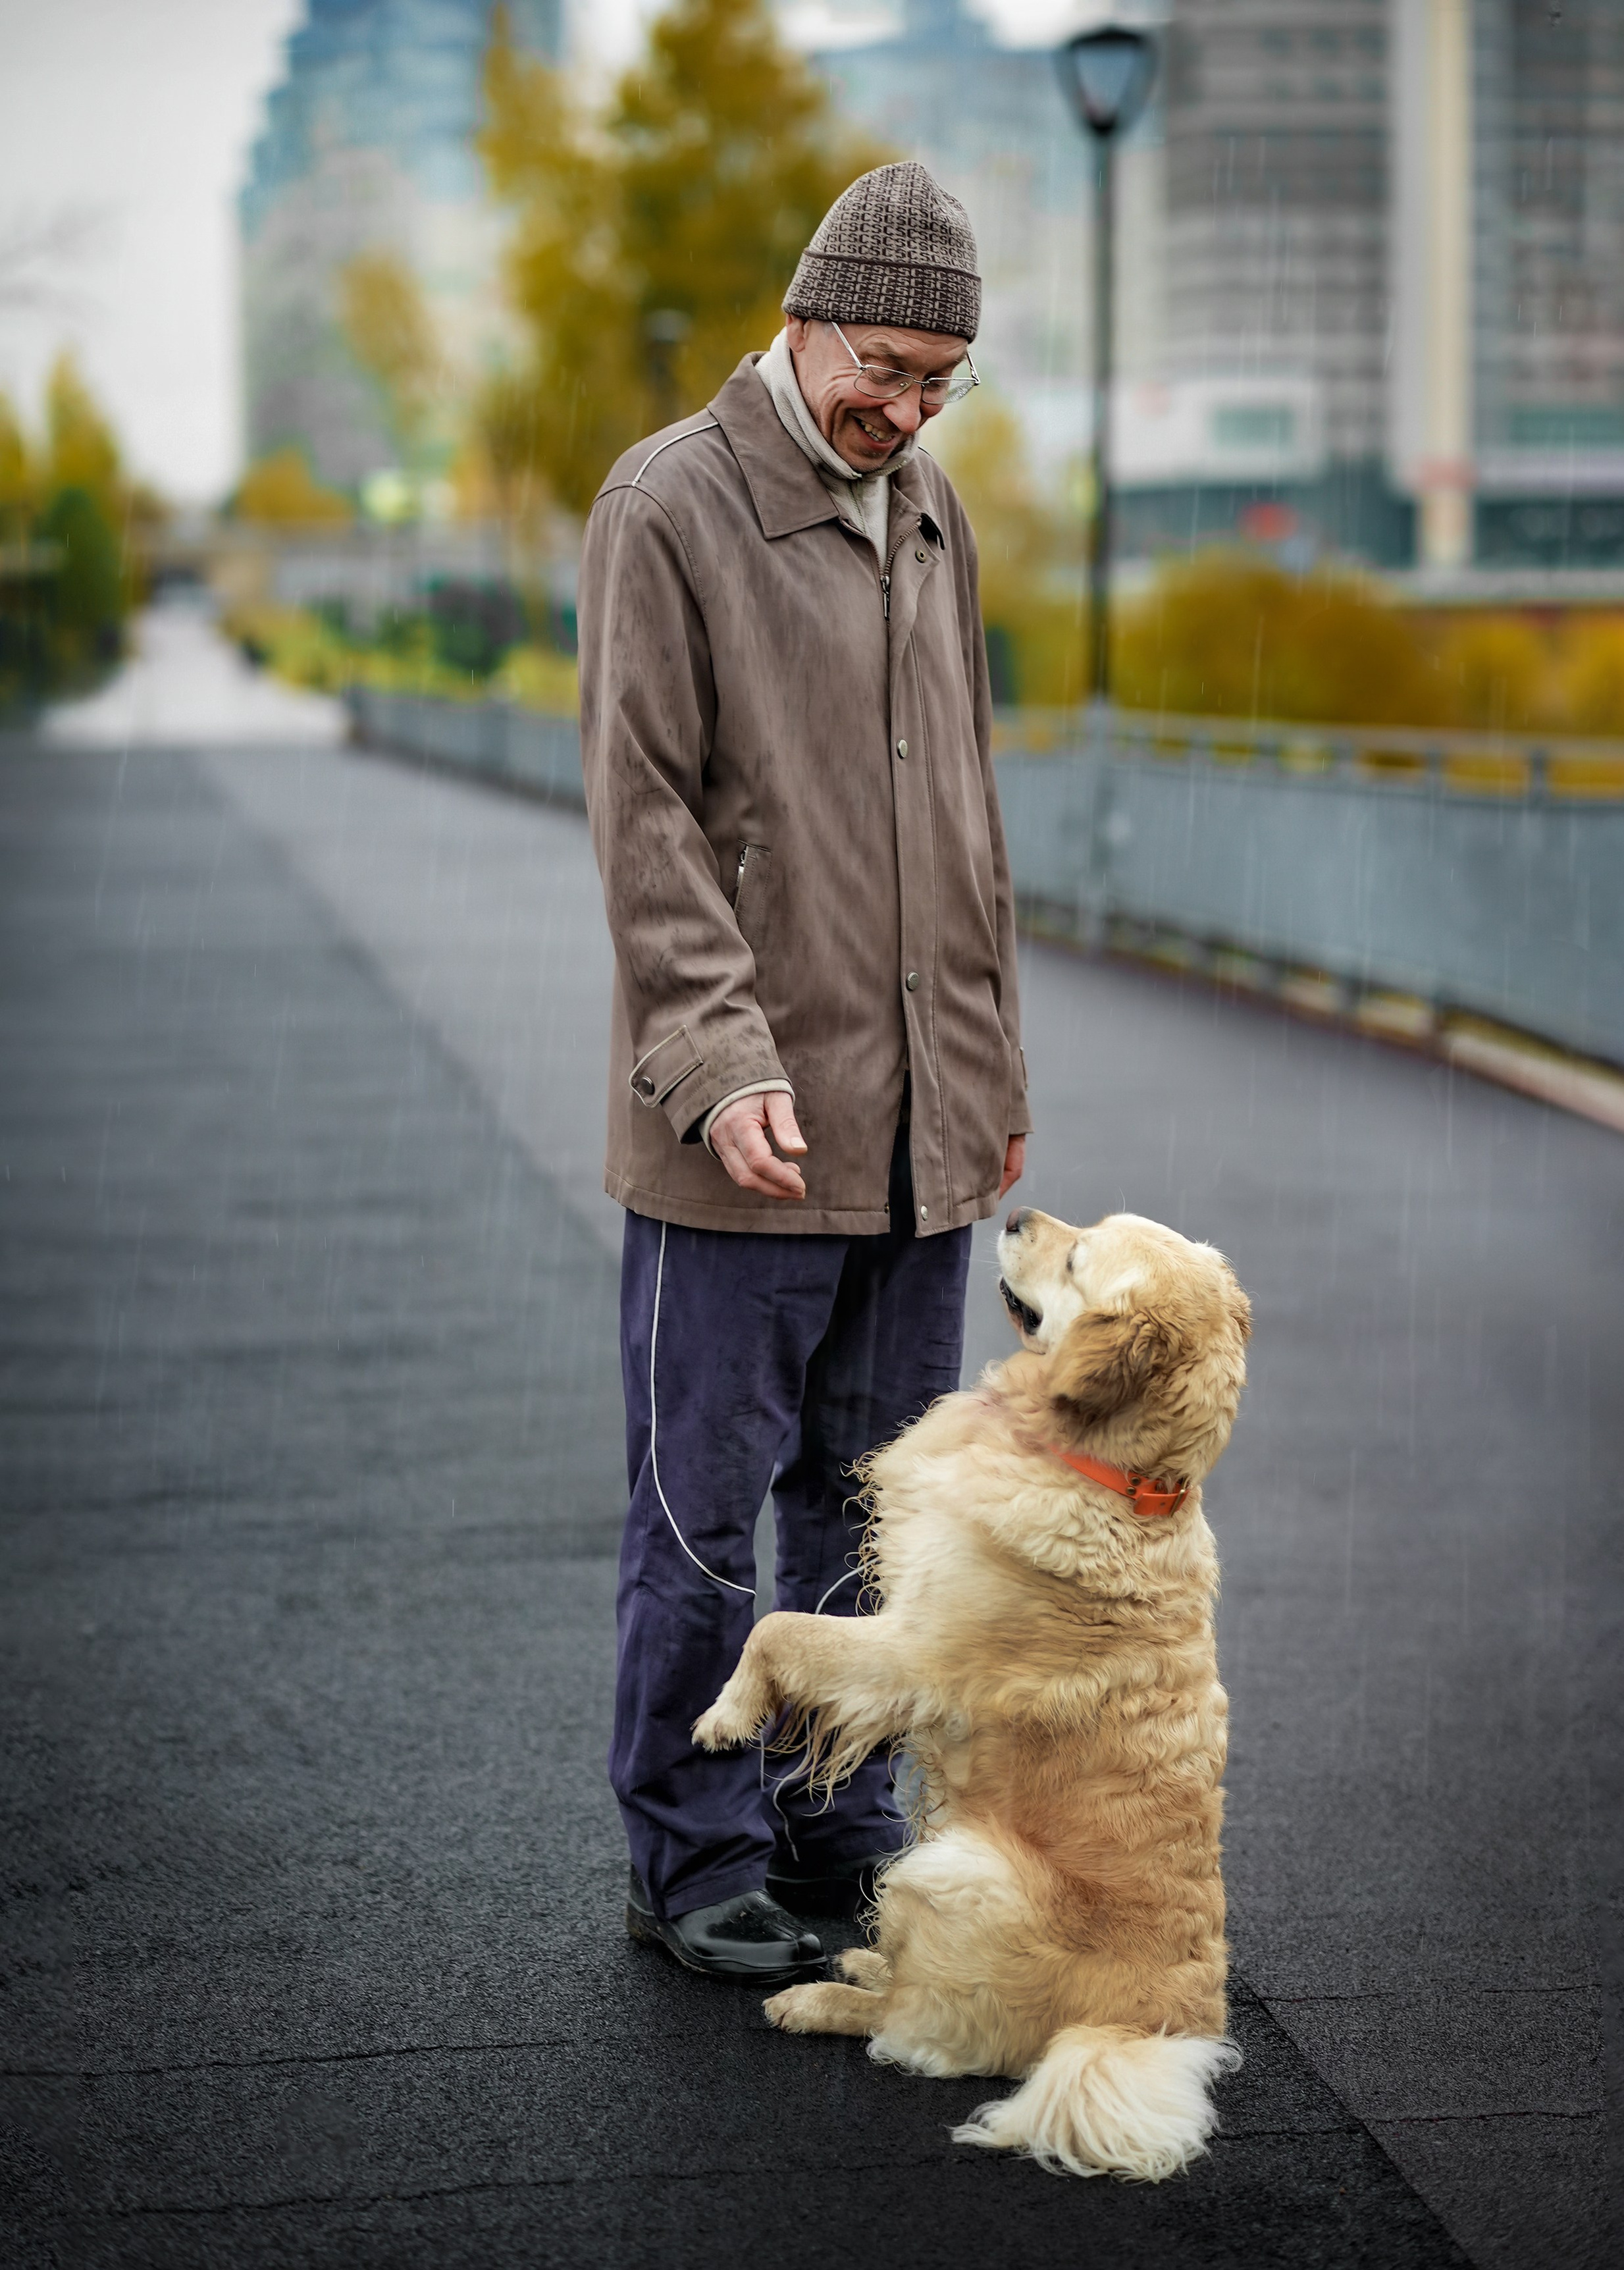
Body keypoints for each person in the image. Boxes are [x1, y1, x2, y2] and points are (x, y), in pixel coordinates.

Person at [578, 159, 1030, 1987]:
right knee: (702, 1511)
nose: (906, 413)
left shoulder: (931, 513)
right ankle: (691, 1857)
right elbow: (646, 825)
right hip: (743, 1129)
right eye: (886, 371)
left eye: (940, 385)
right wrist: (716, 1060)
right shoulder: (667, 505)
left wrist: (989, 1070)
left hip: (922, 1124)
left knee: (873, 1504)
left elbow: (968, 810)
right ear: (803, 321)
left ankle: (836, 1820)